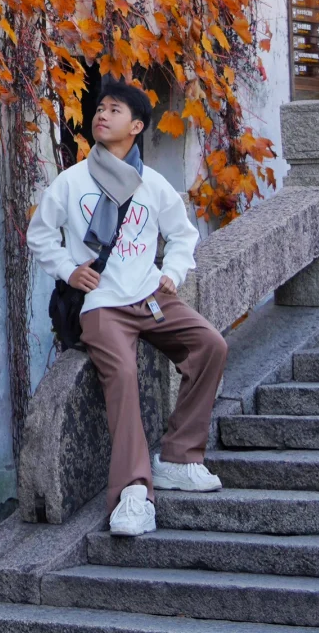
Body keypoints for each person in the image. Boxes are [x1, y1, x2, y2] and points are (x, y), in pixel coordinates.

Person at [26, 76, 228, 536]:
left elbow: (183, 236)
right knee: (124, 375)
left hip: (149, 296)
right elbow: (39, 234)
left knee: (210, 345)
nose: (102, 114)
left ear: (136, 126)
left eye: (115, 110)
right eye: (101, 108)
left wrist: (171, 274)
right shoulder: (71, 181)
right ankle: (134, 492)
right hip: (100, 305)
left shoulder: (153, 185)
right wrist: (67, 268)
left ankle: (179, 456)